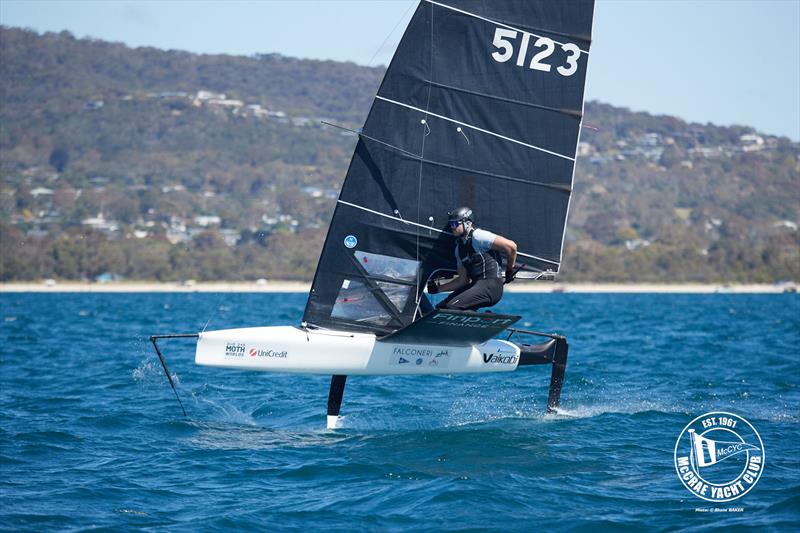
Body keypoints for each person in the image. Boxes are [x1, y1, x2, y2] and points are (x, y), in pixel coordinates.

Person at [427, 206, 517, 311]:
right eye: (451, 224)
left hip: (491, 286)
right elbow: (462, 281)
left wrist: (509, 270)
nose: (452, 227)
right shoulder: (459, 249)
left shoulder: (478, 236)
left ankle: (484, 319)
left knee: (452, 307)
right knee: (441, 308)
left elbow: (511, 247)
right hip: (476, 286)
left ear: (468, 223)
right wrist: (438, 289)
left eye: (455, 224)